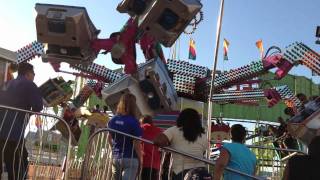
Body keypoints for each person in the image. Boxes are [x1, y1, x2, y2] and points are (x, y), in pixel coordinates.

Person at [0, 63, 43, 180]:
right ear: (29, 73)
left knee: (12, 162)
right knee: (19, 166)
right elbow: (38, 106)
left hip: (2, 130)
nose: (34, 76)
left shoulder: (6, 84)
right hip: (14, 134)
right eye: (33, 74)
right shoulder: (29, 84)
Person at [154, 108, 208, 180]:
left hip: (181, 171)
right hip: (201, 171)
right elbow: (203, 151)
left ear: (181, 118)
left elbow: (158, 140)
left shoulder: (175, 130)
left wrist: (168, 146)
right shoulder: (203, 135)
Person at [108, 93, 143, 180]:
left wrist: (114, 149)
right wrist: (140, 159)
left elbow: (109, 138)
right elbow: (136, 143)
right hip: (131, 158)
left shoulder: (112, 120)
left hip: (116, 157)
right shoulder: (134, 122)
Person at [140, 115, 162, 180]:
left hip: (143, 161)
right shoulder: (159, 131)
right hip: (155, 163)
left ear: (142, 122)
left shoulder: (140, 129)